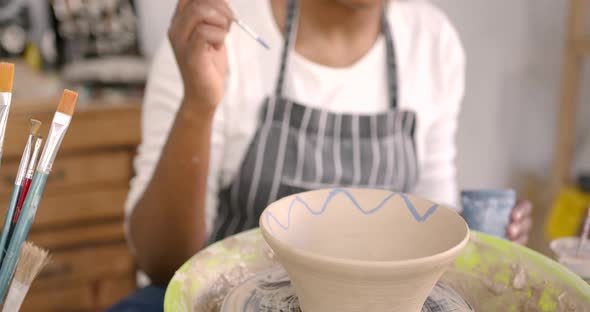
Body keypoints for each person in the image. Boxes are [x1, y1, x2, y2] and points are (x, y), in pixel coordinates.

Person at [109, 0, 533, 310]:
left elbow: (432, 220)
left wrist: (483, 241)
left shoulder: (432, 41)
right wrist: (199, 103)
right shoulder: (218, 32)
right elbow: (163, 261)